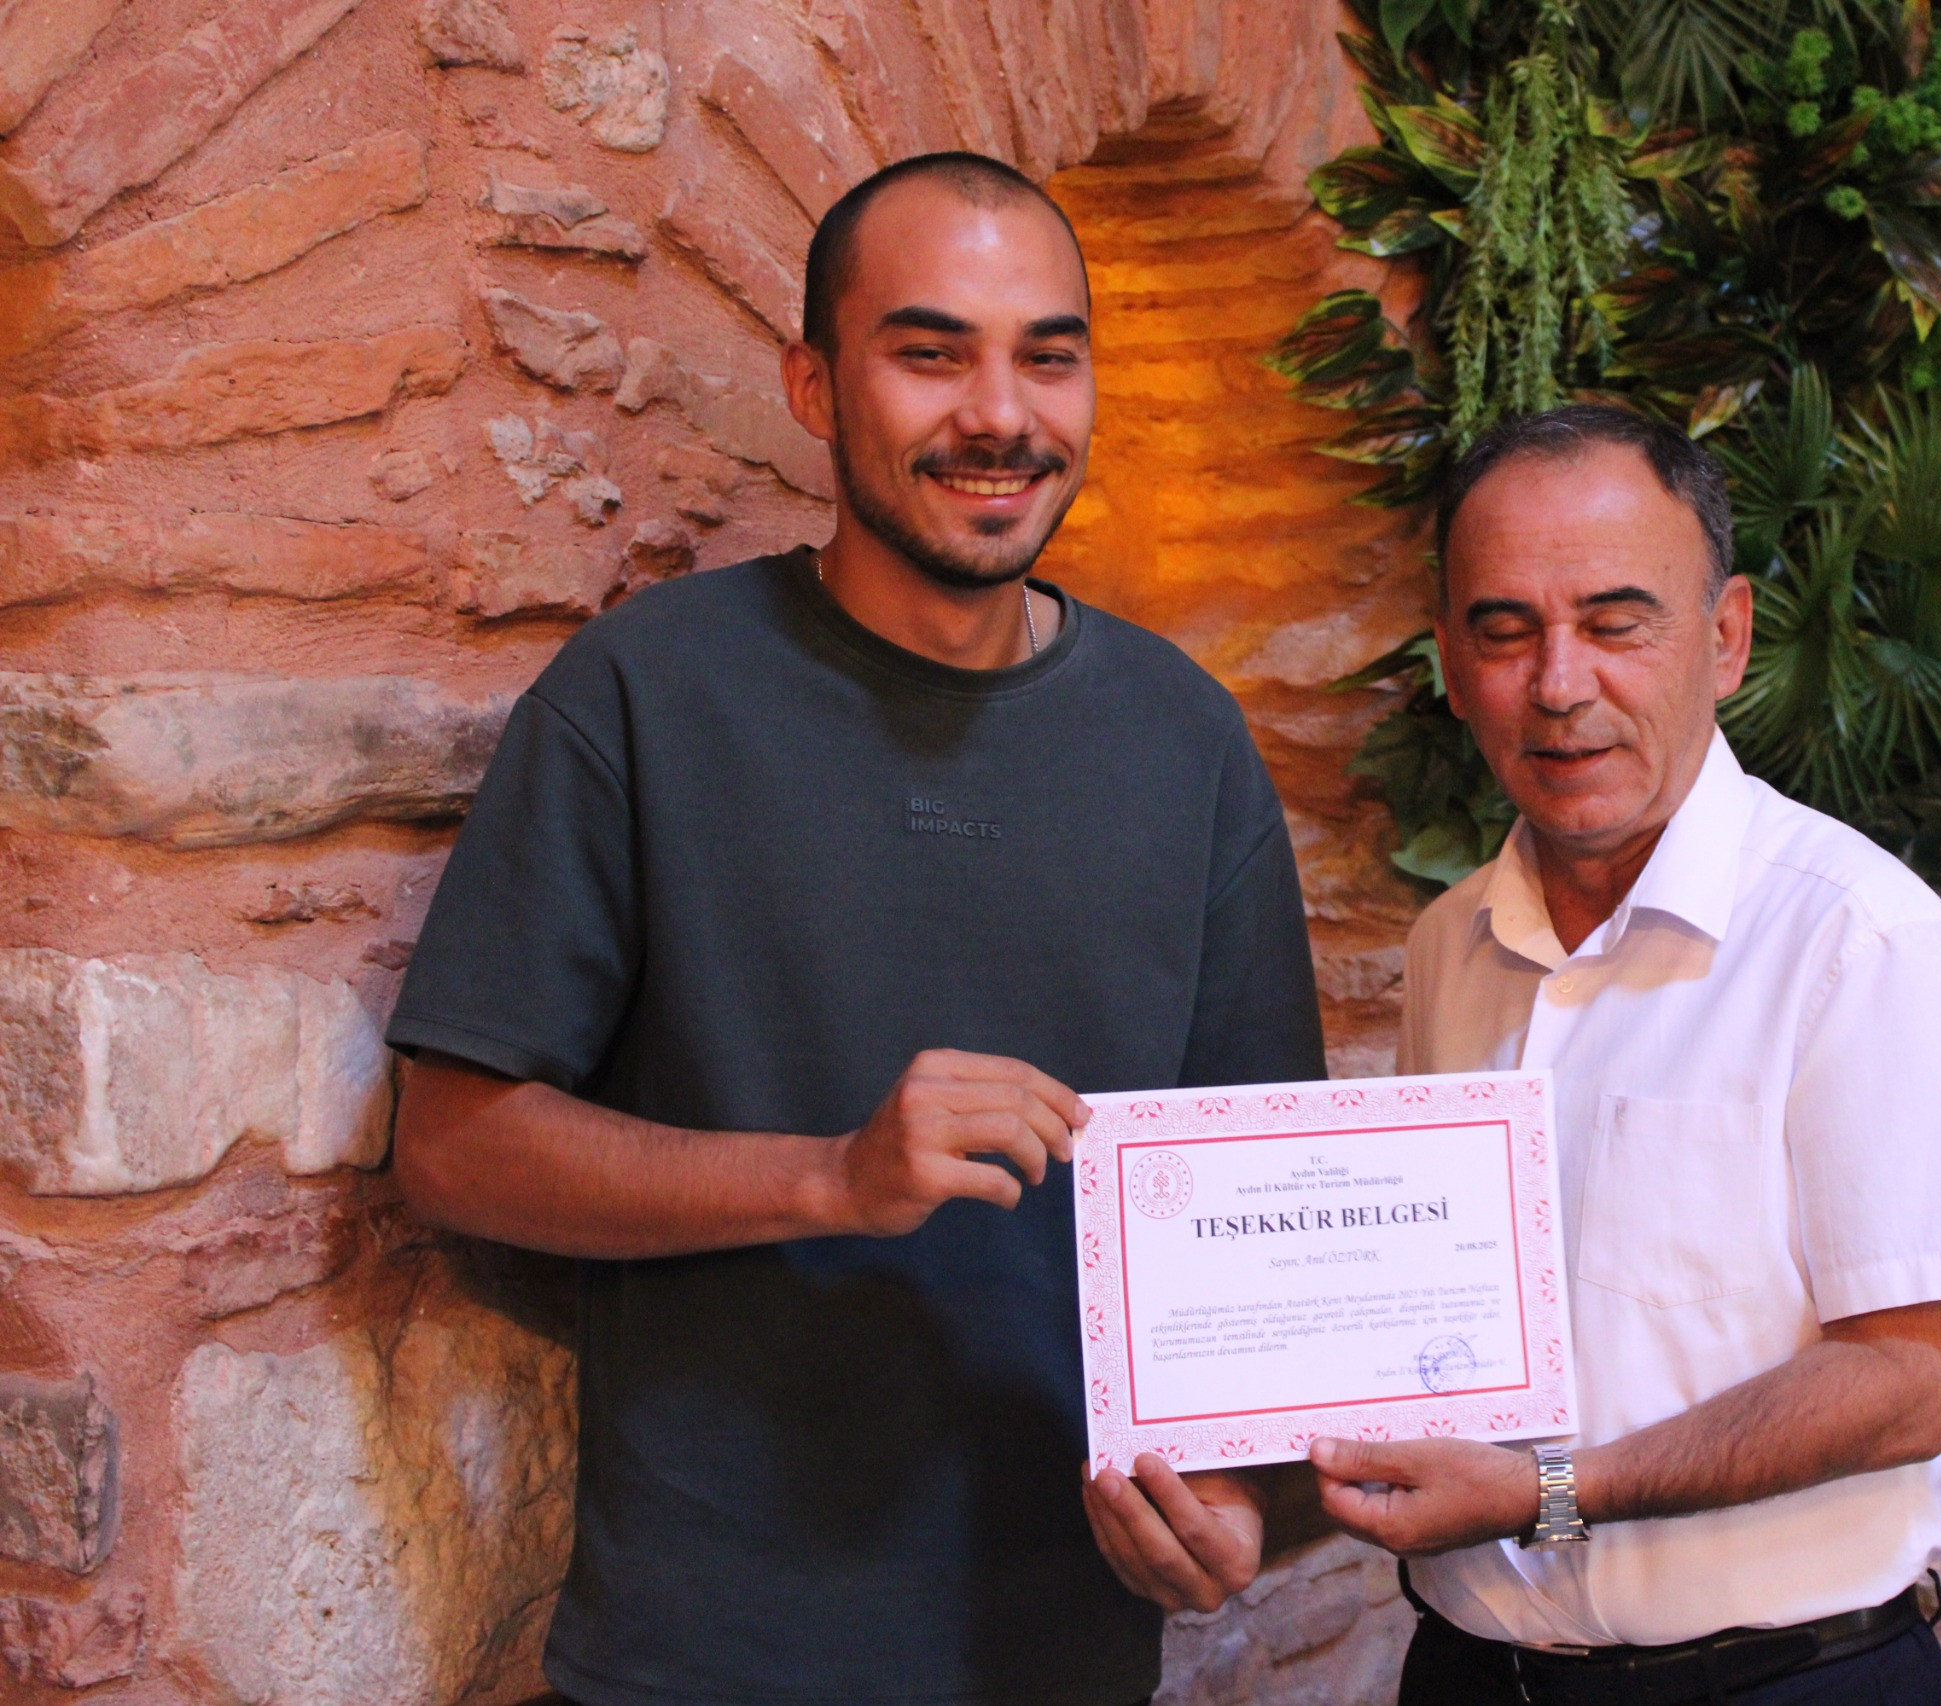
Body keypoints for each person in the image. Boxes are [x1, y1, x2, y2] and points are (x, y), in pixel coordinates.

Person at [386, 151, 1324, 1706]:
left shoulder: (1188, 738)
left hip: (1063, 1656)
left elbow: (1262, 1208)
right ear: (814, 386)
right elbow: (453, 1143)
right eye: (932, 353)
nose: (1001, 414)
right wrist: (831, 1176)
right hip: (703, 1659)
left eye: (1048, 357)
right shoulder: (646, 692)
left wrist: (1243, 1499)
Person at [1134, 403, 1941, 1703]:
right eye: (1505, 631)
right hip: (1471, 1675)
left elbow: (1905, 1382)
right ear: (1452, 663)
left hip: (1782, 1683)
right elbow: (1421, 1345)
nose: (1559, 685)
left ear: (1725, 638)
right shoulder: (1451, 946)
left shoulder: (1856, 937)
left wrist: (1551, 1491)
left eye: (1616, 624)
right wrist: (1234, 1486)